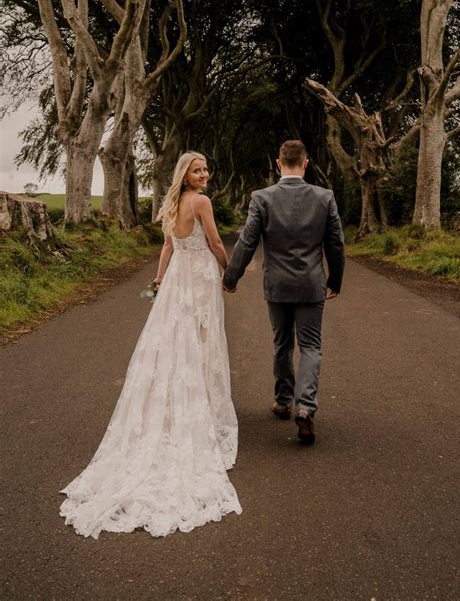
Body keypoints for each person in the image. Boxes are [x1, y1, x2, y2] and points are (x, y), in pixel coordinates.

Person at [60, 152, 241, 538]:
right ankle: (201, 410)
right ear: (185, 175)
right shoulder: (201, 202)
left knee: (177, 342)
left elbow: (168, 247)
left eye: (206, 168)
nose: (204, 174)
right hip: (199, 279)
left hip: (177, 280)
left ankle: (183, 404)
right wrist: (229, 270)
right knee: (202, 342)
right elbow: (213, 242)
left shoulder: (172, 203)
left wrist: (159, 281)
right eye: (197, 169)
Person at [223, 140, 345, 444]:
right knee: (310, 347)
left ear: (279, 163)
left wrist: (231, 276)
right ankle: (305, 407)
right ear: (305, 164)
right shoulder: (324, 197)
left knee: (281, 343)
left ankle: (282, 402)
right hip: (311, 284)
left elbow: (247, 241)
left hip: (276, 285)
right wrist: (335, 281)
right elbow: (336, 244)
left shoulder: (261, 198)